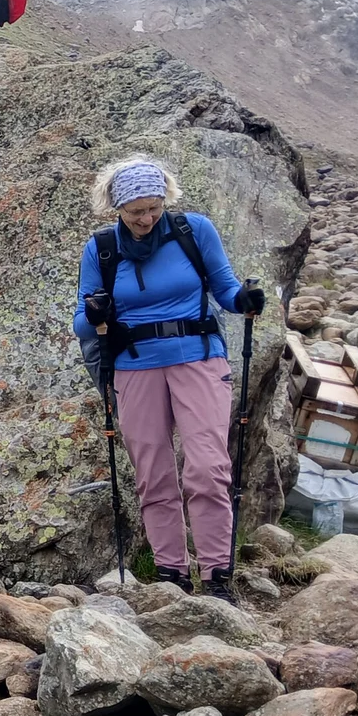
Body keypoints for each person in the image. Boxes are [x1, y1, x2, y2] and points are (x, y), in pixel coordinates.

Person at [72, 157, 264, 602]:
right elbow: (82, 323)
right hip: (134, 367)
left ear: (165, 198)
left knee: (208, 467)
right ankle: (171, 574)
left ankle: (217, 576)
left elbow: (226, 290)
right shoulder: (101, 249)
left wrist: (246, 299)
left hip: (198, 358)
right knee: (152, 474)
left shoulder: (193, 231)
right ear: (116, 207)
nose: (146, 218)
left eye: (153, 207)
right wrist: (96, 314)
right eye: (136, 210)